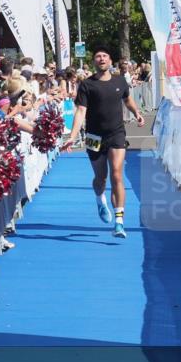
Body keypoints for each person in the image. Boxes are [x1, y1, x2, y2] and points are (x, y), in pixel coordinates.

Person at [62, 47, 145, 239]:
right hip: (94, 136)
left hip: (116, 134)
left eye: (105, 56)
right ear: (94, 61)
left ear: (110, 60)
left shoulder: (119, 81)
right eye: (98, 56)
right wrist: (72, 136)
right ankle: (100, 199)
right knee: (101, 178)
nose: (101, 59)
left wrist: (137, 113)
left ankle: (119, 222)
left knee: (117, 174)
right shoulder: (87, 85)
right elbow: (80, 111)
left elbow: (128, 99)